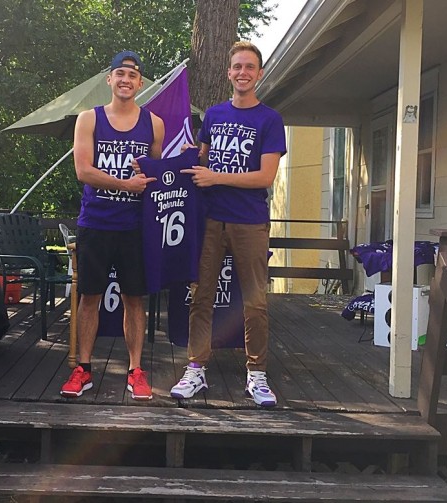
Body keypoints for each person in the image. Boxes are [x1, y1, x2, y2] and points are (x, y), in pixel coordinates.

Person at [170, 41, 286, 407]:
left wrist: (216, 177)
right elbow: (198, 162)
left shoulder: (270, 119)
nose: (242, 72)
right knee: (201, 296)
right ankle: (195, 369)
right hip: (210, 221)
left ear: (259, 74)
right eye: (237, 66)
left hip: (250, 222)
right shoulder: (215, 116)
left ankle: (257, 376)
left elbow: (265, 177)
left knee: (255, 302)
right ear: (228, 73)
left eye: (249, 67)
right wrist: (158, 166)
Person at [60, 50, 164, 400]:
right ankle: (83, 369)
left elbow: (154, 175)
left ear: (139, 83)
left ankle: (136, 371)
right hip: (96, 222)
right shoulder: (89, 119)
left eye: (132, 76)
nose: (125, 80)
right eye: (120, 73)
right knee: (89, 297)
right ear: (110, 79)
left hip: (135, 227)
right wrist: (125, 184)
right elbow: (83, 171)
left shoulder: (154, 124)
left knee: (134, 300)